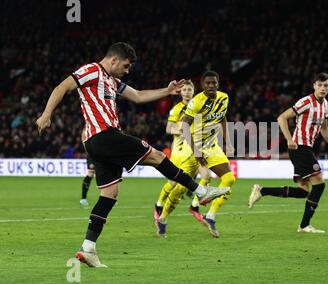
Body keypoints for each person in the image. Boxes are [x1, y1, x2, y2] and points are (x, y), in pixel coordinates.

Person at [35, 42, 229, 268]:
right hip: (103, 135)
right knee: (156, 156)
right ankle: (201, 191)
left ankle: (88, 248)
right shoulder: (91, 70)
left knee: (109, 194)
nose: (127, 71)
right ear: (114, 59)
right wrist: (46, 115)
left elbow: (137, 96)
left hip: (98, 141)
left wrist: (167, 91)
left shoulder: (112, 81)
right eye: (126, 66)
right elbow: (62, 87)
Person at [248, 73, 328, 234]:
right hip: (299, 147)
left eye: (326, 85)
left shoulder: (325, 105)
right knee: (319, 184)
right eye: (320, 85)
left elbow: (324, 129)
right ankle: (304, 225)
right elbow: (281, 118)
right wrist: (289, 139)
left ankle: (262, 190)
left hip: (306, 148)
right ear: (314, 86)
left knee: (303, 191)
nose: (323, 88)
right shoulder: (306, 102)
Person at [156, 71, 236, 238]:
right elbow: (184, 126)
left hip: (212, 146)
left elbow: (222, 118)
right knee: (178, 189)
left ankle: (211, 216)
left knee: (229, 179)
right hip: (193, 147)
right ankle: (163, 218)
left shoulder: (224, 98)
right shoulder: (196, 102)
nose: (211, 86)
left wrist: (227, 142)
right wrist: (196, 150)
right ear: (202, 85)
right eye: (207, 83)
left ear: (218, 83)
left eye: (214, 83)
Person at [153, 80, 212, 225]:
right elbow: (168, 129)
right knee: (173, 183)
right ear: (181, 92)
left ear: (193, 92)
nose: (186, 92)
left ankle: (194, 206)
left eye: (189, 90)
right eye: (184, 90)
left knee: (207, 175)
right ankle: (159, 204)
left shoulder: (199, 108)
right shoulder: (177, 109)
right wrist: (183, 129)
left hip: (196, 149)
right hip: (180, 152)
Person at [80, 132, 95, 207]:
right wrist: (88, 150)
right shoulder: (87, 127)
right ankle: (83, 198)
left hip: (101, 153)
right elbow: (83, 137)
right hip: (92, 154)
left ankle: (109, 197)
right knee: (90, 173)